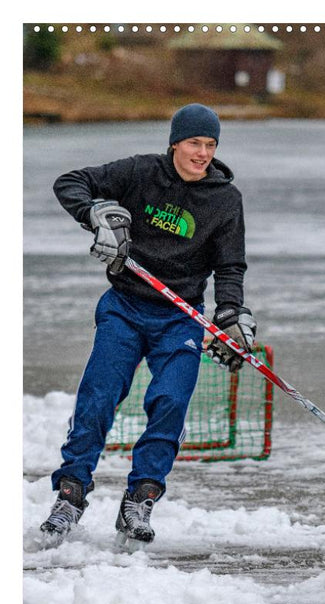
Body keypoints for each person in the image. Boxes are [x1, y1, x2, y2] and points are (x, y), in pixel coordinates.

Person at [40, 103, 255, 546]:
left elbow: (229, 265)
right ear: (175, 142)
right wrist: (95, 214)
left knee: (170, 402)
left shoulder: (225, 200)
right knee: (98, 398)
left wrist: (231, 313)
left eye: (210, 145)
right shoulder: (140, 172)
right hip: (124, 305)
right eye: (194, 143)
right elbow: (70, 182)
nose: (202, 153)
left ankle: (141, 497)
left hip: (180, 317)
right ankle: (70, 494)